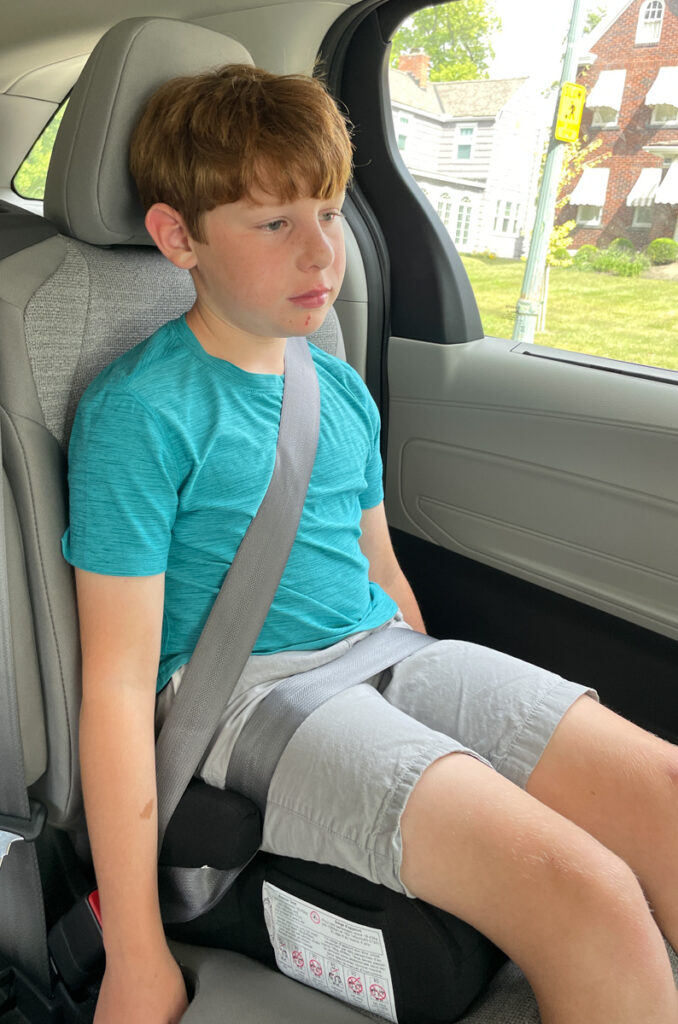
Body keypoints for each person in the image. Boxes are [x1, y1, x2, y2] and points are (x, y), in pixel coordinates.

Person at [63, 64, 678, 1024]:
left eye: (330, 212)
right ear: (178, 237)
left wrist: (446, 725)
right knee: (590, 897)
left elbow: (381, 575)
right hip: (251, 701)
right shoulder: (142, 413)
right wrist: (136, 952)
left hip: (387, 656)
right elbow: (115, 686)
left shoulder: (336, 390)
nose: (321, 256)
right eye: (274, 225)